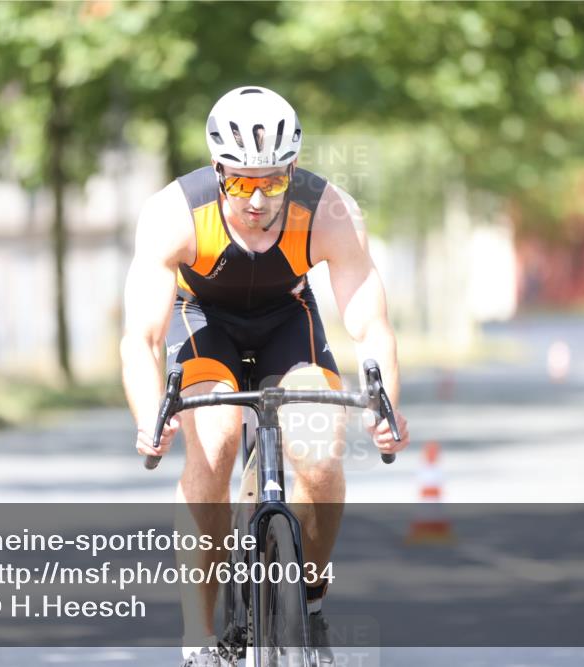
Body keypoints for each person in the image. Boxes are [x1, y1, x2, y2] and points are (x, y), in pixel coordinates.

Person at [120, 85, 410, 666]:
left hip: (286, 322)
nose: (256, 199)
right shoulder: (172, 215)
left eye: (272, 181)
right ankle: (199, 637)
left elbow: (371, 327)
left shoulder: (331, 212)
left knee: (321, 456)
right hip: (203, 322)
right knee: (218, 438)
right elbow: (143, 338)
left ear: (292, 170)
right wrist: (149, 417)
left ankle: (309, 595)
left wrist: (387, 409)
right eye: (242, 182)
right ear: (217, 169)